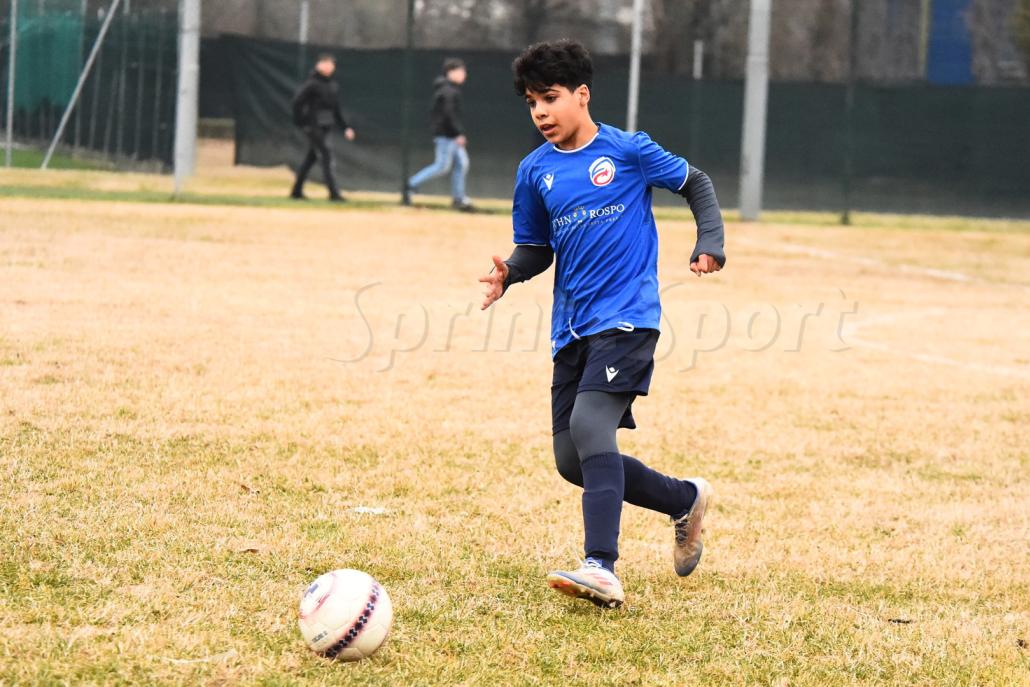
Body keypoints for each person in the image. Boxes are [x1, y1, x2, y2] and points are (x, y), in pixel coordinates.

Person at [478, 40, 726, 609]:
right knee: (573, 461)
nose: (540, 112)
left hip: (629, 318)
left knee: (592, 426)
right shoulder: (534, 171)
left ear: (582, 94)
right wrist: (510, 272)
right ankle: (683, 499)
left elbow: (697, 183)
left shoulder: (628, 150)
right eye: (531, 102)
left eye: (550, 98)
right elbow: (536, 248)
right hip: (572, 329)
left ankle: (601, 566)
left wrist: (709, 241)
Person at [403, 58, 474, 211]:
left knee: (462, 163)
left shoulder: (450, 89)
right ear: (450, 72)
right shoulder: (447, 91)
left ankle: (459, 198)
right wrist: (458, 133)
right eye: (461, 71)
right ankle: (410, 185)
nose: (464, 74)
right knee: (442, 166)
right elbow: (448, 115)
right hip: (447, 136)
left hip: (450, 135)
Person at [290, 54, 356, 202]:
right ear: (318, 65)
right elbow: (297, 102)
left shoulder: (333, 85)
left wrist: (345, 128)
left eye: (331, 64)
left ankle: (296, 191)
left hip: (326, 126)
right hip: (313, 127)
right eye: (325, 63)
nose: (329, 66)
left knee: (311, 158)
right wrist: (301, 122)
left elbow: (336, 109)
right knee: (327, 156)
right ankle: (334, 193)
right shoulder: (312, 84)